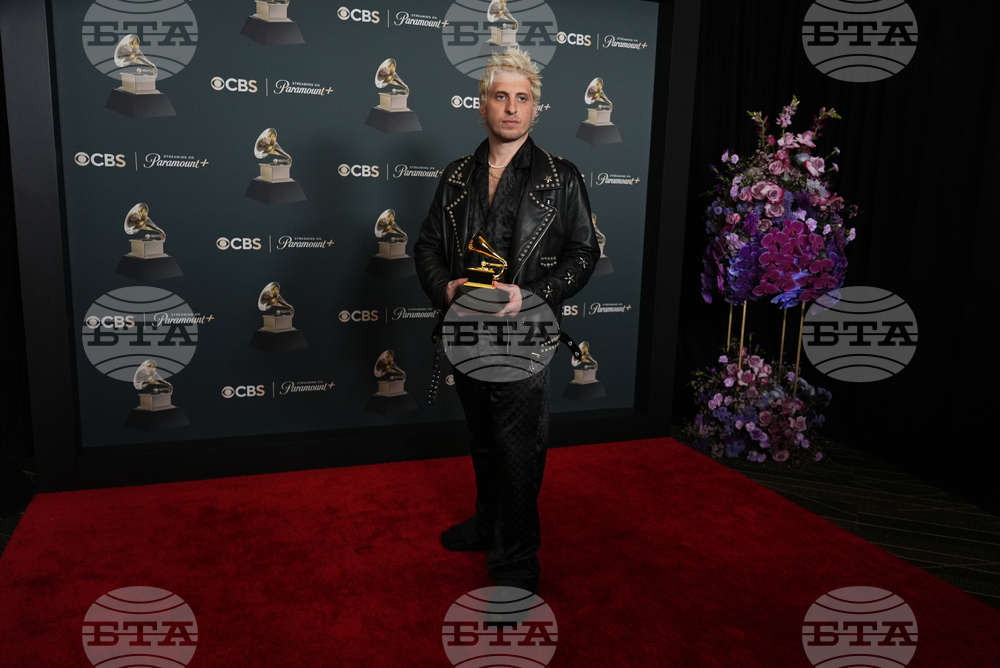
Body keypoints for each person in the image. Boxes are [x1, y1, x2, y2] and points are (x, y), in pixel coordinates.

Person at [413, 46, 599, 594]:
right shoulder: (454, 178)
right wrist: (444, 286)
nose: (511, 108)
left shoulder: (560, 178)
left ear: (535, 108)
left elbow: (583, 254)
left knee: (519, 445)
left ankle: (517, 556)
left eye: (522, 98)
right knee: (483, 440)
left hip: (524, 332)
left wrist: (534, 295)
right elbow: (426, 246)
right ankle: (487, 524)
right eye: (501, 97)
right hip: (466, 331)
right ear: (483, 105)